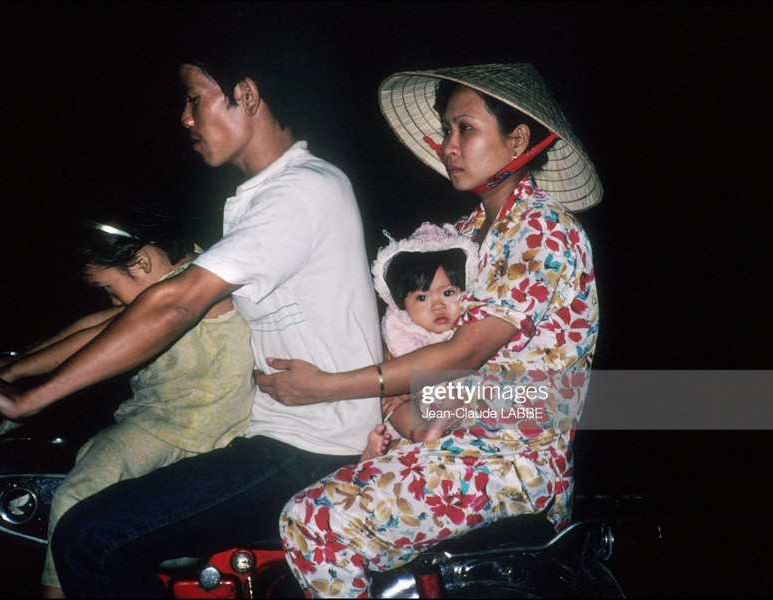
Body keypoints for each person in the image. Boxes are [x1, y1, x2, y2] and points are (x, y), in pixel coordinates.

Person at [0, 43, 383, 597]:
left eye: (195, 99)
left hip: (310, 449)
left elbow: (174, 305)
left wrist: (29, 399)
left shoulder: (301, 191)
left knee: (88, 538)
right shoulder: (264, 197)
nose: (185, 118)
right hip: (277, 435)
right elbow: (126, 315)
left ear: (245, 95)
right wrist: (12, 371)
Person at [256, 63, 601, 597]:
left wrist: (326, 385)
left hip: (511, 459)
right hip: (451, 441)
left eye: (465, 128)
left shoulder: (543, 230)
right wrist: (396, 415)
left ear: (517, 140)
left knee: (315, 520)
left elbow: (465, 354)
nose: (449, 145)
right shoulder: (460, 238)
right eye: (446, 130)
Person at [0, 207, 257, 598]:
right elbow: (93, 325)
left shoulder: (195, 288)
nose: (110, 299)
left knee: (75, 499)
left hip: (186, 430)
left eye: (109, 287)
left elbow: (102, 336)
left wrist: (19, 386)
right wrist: (11, 367)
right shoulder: (179, 272)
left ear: (141, 261)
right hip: (163, 423)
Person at [360, 221, 479, 461]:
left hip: (450, 405)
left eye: (448, 293)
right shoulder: (400, 330)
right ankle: (385, 448)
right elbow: (391, 376)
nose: (437, 305)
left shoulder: (469, 327)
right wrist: (403, 394)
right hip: (414, 413)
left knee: (464, 394)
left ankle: (428, 431)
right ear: (402, 305)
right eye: (422, 297)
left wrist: (410, 392)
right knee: (393, 407)